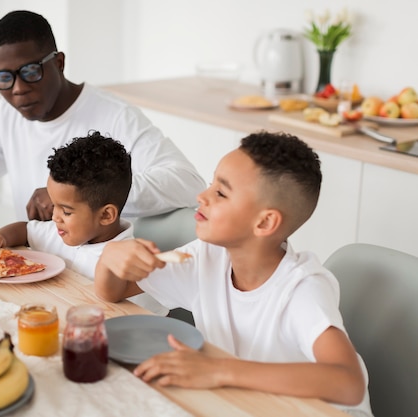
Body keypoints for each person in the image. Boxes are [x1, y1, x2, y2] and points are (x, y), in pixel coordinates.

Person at [94, 131, 373, 417]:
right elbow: (114, 290)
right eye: (211, 183)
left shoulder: (302, 288)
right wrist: (110, 259)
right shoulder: (208, 255)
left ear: (264, 222)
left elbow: (349, 383)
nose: (201, 196)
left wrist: (218, 370)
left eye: (220, 192)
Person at [0, 10, 205, 224]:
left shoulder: (115, 116)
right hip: (40, 266)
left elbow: (187, 183)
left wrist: (77, 194)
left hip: (106, 280)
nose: (17, 89)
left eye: (30, 71)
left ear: (59, 62)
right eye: (4, 77)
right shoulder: (5, 115)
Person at [0, 131, 167, 314]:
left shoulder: (127, 261)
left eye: (66, 211)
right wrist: (0, 237)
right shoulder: (59, 231)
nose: (55, 217)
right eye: (53, 205)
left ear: (106, 215)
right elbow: (24, 229)